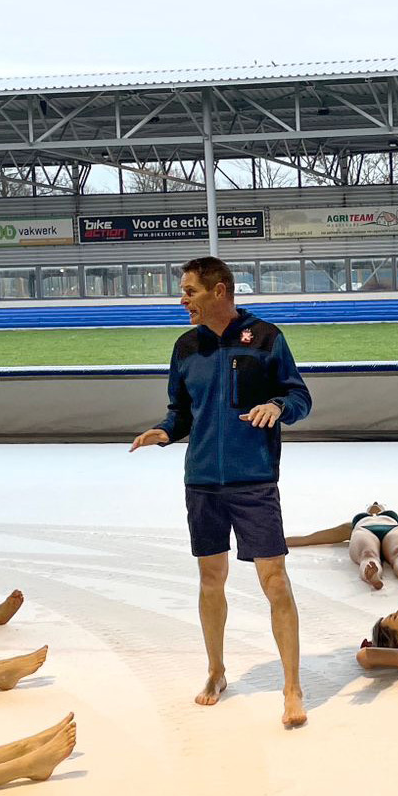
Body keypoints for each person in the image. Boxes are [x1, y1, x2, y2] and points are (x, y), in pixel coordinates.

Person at [130, 256, 314, 728]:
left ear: (219, 291)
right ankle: (216, 671)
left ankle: (292, 686)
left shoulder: (268, 338)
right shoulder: (185, 347)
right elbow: (180, 412)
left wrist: (277, 406)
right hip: (202, 484)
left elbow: (299, 397)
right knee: (210, 580)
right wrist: (164, 431)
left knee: (275, 581)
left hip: (253, 481)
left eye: (189, 290)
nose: (182, 298)